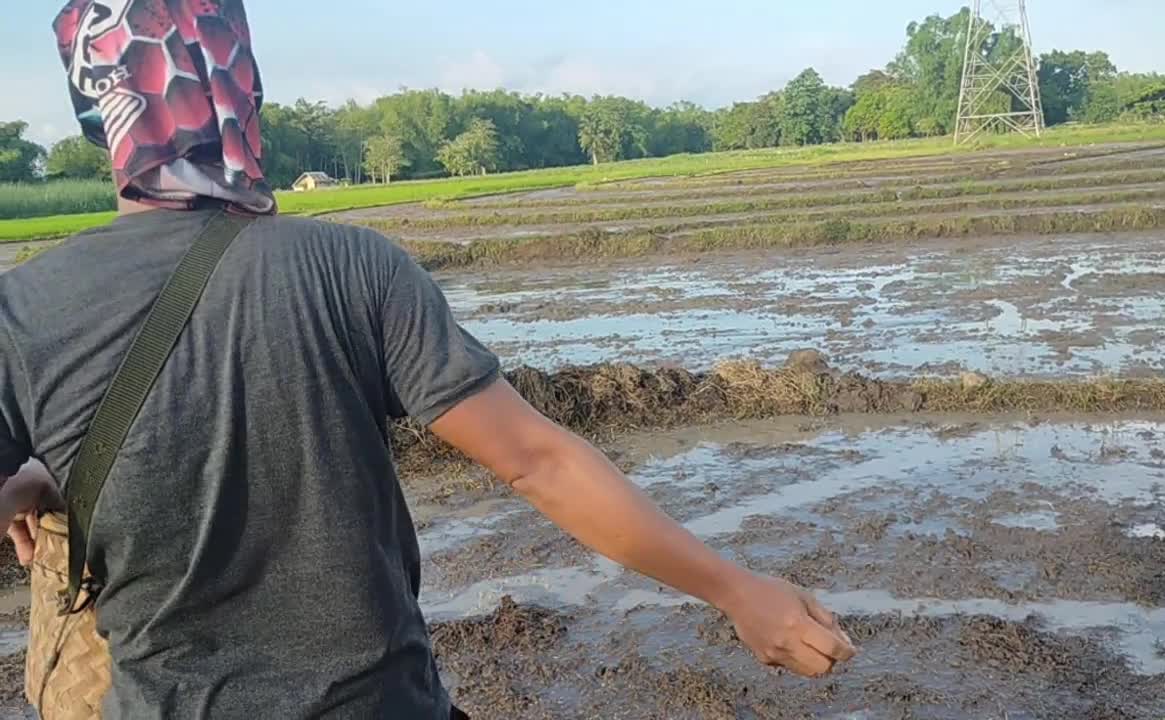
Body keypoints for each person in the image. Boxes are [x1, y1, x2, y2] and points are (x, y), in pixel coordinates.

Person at [0, 2, 856, 718]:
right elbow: (538, 460)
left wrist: (43, 474)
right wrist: (737, 591)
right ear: (238, 83)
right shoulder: (349, 269)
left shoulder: (26, 314)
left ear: (94, 108)